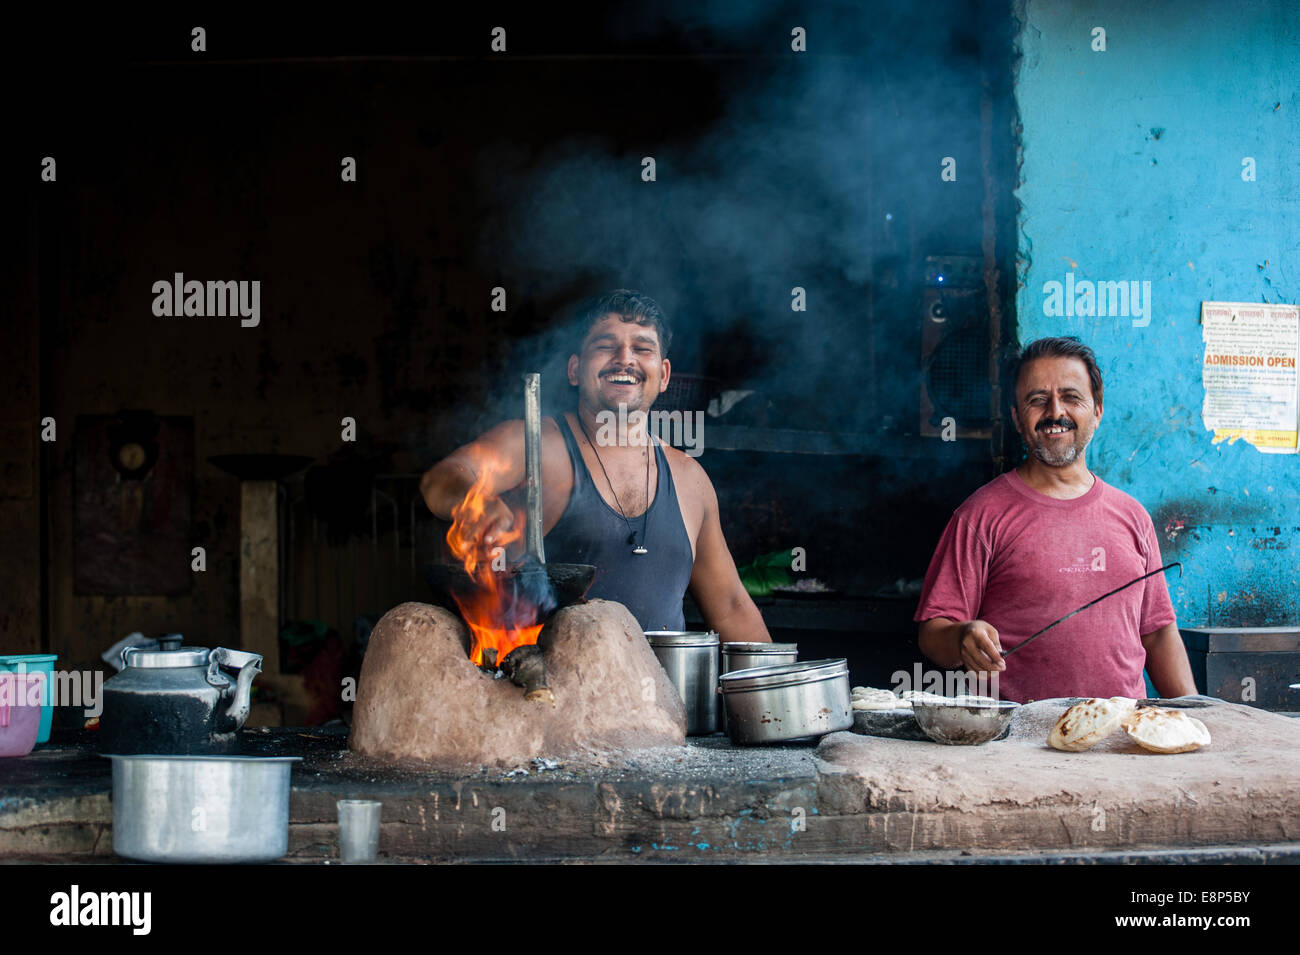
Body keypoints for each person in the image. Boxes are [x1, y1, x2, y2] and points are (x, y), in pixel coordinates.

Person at [420, 289, 771, 641]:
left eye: (642, 348)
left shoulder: (690, 479)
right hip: (547, 691)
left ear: (663, 375)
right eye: (605, 345)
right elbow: (442, 479)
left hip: (660, 693)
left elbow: (730, 607)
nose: (624, 359)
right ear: (575, 369)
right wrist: (474, 503)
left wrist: (781, 687)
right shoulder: (536, 444)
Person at [915, 336, 1197, 702]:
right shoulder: (980, 516)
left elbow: (1158, 633)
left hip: (1119, 740)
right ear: (1017, 417)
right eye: (1037, 400)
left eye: (1071, 397)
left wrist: (1196, 714)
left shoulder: (1133, 517)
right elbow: (932, 632)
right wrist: (961, 636)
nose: (1055, 412)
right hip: (1014, 744)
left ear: (1097, 411)